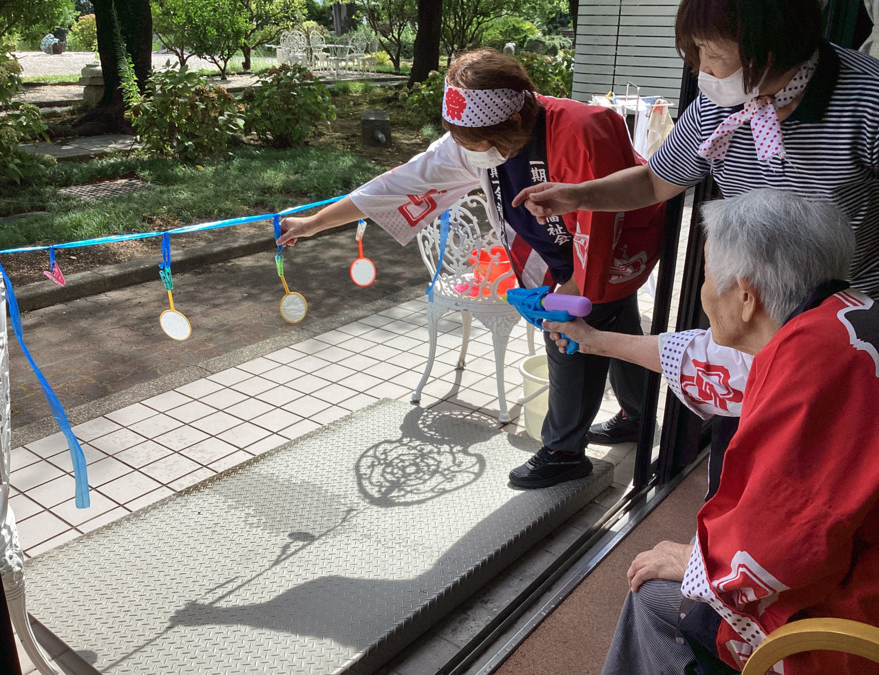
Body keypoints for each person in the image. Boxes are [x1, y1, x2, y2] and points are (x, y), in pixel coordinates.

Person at [277, 48, 665, 489]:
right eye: (460, 142)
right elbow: (395, 184)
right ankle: (637, 414)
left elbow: (600, 223)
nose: (467, 153)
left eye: (475, 144)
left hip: (615, 244)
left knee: (570, 338)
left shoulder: (582, 128)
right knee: (620, 326)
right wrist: (313, 223)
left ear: (516, 121)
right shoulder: (475, 138)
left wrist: (568, 296)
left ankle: (563, 452)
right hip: (562, 250)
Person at [514, 0, 879, 447]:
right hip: (752, 314)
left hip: (845, 315)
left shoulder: (867, 99)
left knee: (818, 443)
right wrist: (578, 193)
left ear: (771, 48)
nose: (701, 68)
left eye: (711, 52)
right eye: (695, 51)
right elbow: (654, 181)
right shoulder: (720, 104)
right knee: (743, 440)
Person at [545, 189, 879, 674]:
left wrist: (695, 563)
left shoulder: (813, 369)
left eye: (704, 275)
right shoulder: (840, 317)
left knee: (655, 592)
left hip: (855, 619)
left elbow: (786, 539)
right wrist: (593, 341)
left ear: (745, 296)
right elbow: (708, 360)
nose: (703, 291)